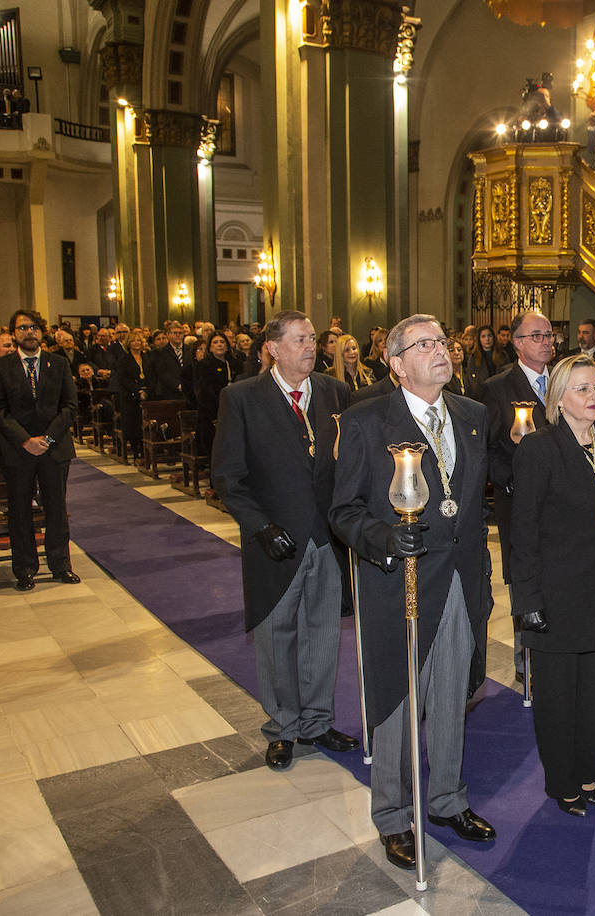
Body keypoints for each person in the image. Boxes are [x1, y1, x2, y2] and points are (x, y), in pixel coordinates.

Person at [329, 314, 497, 870]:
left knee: (452, 693)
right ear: (397, 363)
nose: (440, 351)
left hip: (458, 578)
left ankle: (447, 799)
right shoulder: (366, 421)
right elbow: (343, 511)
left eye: (443, 342)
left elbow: (474, 503)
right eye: (423, 345)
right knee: (398, 699)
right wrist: (384, 537)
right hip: (398, 580)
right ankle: (393, 815)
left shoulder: (473, 416)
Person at [210, 310, 358, 771]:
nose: (312, 347)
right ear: (273, 348)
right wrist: (261, 527)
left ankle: (317, 721)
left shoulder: (337, 393)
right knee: (278, 637)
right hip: (275, 538)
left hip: (326, 537)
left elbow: (350, 463)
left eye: (314, 339)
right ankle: (282, 728)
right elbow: (228, 477)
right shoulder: (242, 398)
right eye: (300, 340)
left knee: (322, 634)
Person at [512, 354, 595, 815]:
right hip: (556, 594)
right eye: (582, 389)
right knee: (557, 698)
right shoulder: (539, 449)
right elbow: (522, 534)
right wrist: (527, 600)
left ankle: (588, 773)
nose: (594, 397)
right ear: (558, 398)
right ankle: (562, 782)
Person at [0, 309, 80, 591]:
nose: (29, 332)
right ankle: (25, 569)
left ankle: (61, 565)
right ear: (14, 333)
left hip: (54, 448)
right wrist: (26, 440)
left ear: (41, 331)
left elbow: (70, 406)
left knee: (56, 510)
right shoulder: (1, 368)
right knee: (21, 511)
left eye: (34, 327)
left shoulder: (58, 364)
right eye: (22, 328)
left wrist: (47, 438)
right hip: (18, 450)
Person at [482, 311, 555, 684]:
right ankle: (526, 657)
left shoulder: (562, 380)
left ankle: (555, 650)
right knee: (525, 576)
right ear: (518, 342)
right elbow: (489, 447)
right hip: (520, 499)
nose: (546, 341)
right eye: (537, 335)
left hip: (561, 499)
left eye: (549, 334)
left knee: (558, 573)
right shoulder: (497, 388)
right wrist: (508, 481)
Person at [194, 332, 235, 456]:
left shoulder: (234, 363)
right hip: (211, 414)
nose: (219, 345)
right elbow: (203, 392)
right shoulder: (204, 365)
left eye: (222, 342)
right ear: (210, 348)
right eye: (215, 342)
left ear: (227, 346)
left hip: (233, 411)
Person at [110, 329, 149, 457]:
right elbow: (124, 379)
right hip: (130, 396)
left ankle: (146, 447)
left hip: (147, 393)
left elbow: (152, 375)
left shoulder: (147, 357)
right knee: (133, 422)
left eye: (139, 340)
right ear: (129, 343)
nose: (136, 343)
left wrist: (146, 390)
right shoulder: (124, 360)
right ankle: (136, 447)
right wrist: (138, 391)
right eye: (133, 341)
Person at [466, 325, 507, 392]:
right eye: (483, 336)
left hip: (500, 391)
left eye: (489, 336)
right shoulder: (474, 357)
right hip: (481, 393)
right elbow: (472, 380)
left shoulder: (502, 355)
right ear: (479, 339)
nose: (487, 339)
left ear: (493, 337)